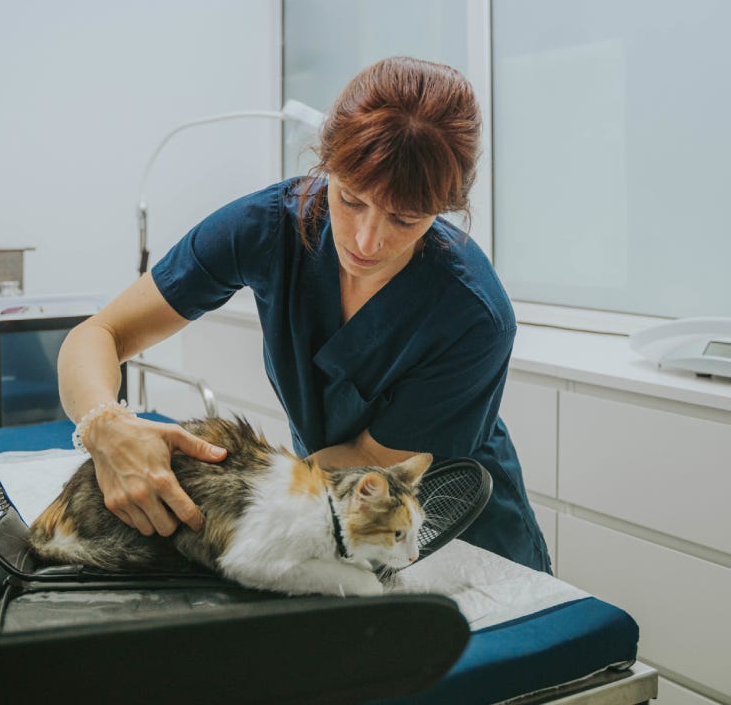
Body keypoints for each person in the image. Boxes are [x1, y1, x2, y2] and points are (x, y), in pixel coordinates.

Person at [58, 56, 551, 572]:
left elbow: (360, 463)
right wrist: (104, 424)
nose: (367, 240)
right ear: (326, 163)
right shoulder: (266, 227)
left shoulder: (471, 314)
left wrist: (216, 507)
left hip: (450, 540)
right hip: (324, 516)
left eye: (404, 219)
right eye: (351, 199)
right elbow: (101, 334)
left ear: (446, 207)